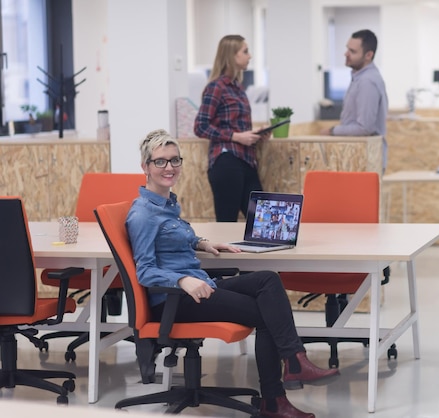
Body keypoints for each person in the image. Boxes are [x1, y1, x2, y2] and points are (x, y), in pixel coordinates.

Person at [126, 129, 339, 418]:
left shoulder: (166, 204)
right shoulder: (142, 214)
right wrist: (182, 280)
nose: (170, 168)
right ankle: (276, 398)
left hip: (198, 287)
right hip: (174, 300)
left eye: (175, 160)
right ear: (145, 167)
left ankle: (294, 362)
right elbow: (145, 270)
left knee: (267, 278)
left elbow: (174, 239)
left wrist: (201, 242)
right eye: (161, 162)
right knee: (268, 315)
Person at [194, 34, 269, 222]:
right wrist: (236, 137)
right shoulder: (216, 87)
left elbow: (237, 126)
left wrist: (257, 134)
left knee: (261, 222)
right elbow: (200, 126)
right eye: (245, 51)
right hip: (226, 161)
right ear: (232, 56)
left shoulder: (238, 88)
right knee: (226, 223)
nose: (249, 56)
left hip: (246, 161)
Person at [320, 29, 389, 170]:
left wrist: (332, 131)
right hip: (359, 157)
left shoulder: (367, 81)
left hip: (365, 159)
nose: (346, 54)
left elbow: (365, 128)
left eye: (352, 51)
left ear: (368, 55)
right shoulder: (359, 77)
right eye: (347, 49)